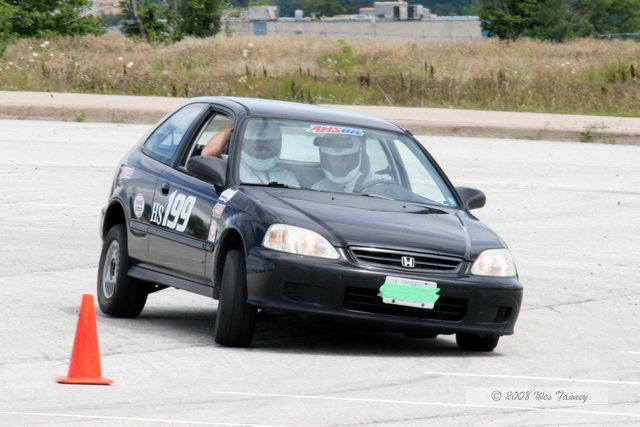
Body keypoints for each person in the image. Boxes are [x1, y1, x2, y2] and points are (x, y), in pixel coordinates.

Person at [202, 119, 299, 186]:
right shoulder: (231, 166)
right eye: (259, 148)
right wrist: (230, 129)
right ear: (244, 145)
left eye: (269, 148)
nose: (264, 152)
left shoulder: (287, 176)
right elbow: (208, 154)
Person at [311, 134, 382, 193]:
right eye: (334, 159)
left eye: (344, 159)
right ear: (326, 160)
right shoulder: (319, 189)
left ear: (354, 159)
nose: (339, 163)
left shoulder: (374, 182)